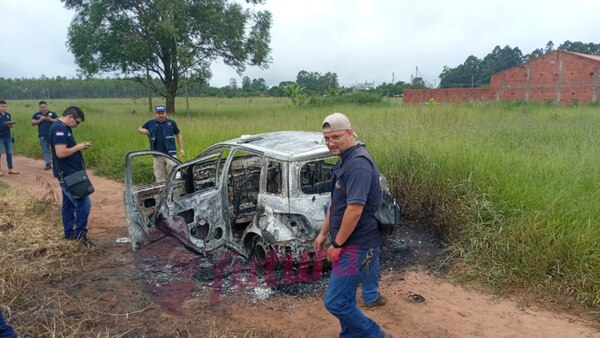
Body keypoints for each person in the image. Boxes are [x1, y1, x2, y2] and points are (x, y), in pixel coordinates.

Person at [314, 112, 391, 338]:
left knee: (336, 302)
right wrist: (322, 234)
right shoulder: (345, 161)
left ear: (350, 133)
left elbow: (354, 210)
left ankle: (376, 335)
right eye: (327, 139)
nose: (330, 143)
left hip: (356, 246)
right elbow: (334, 204)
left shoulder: (358, 164)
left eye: (335, 137)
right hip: (348, 243)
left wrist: (337, 244)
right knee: (345, 299)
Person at [49, 106, 94, 248]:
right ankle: (80, 236)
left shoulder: (62, 127)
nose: (77, 125)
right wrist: (79, 147)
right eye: (77, 122)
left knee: (68, 204)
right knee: (83, 203)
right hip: (69, 174)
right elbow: (61, 153)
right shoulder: (59, 129)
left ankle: (69, 234)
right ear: (70, 117)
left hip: (70, 173)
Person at [137, 104, 185, 182]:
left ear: (166, 113)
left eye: (162, 113)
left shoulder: (172, 123)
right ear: (156, 114)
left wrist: (181, 149)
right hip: (157, 154)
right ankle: (162, 192)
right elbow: (140, 128)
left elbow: (178, 135)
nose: (161, 115)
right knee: (159, 174)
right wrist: (141, 130)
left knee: (175, 173)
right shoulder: (150, 123)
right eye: (159, 113)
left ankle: (176, 191)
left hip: (170, 153)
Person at [31, 100, 58, 170]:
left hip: (53, 135)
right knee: (45, 150)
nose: (44, 108)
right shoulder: (37, 114)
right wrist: (40, 120)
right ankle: (48, 163)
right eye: (42, 107)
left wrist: (50, 119)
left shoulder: (52, 113)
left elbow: (58, 121)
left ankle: (56, 163)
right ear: (39, 107)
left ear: (47, 106)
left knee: (54, 149)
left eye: (45, 107)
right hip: (43, 136)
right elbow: (33, 122)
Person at [0, 99, 19, 176]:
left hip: (8, 136)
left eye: (5, 106)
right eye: (2, 106)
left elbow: (11, 125)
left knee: (9, 153)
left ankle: (10, 169)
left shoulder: (8, 115)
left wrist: (10, 124)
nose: (4, 108)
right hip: (0, 137)